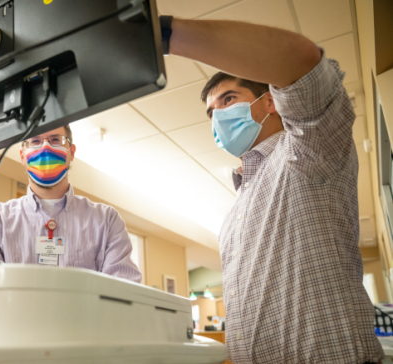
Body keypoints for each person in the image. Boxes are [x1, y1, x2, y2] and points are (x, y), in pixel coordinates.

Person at [159, 16, 384, 363]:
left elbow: (301, 62)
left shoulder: (308, 152)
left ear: (271, 102)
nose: (217, 115)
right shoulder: (236, 210)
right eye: (210, 112)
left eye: (229, 98)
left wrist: (160, 34)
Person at [0, 125, 142, 283]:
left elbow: (124, 293)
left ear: (71, 153)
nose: (45, 147)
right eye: (36, 141)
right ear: (22, 155)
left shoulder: (106, 221)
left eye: (56, 139)